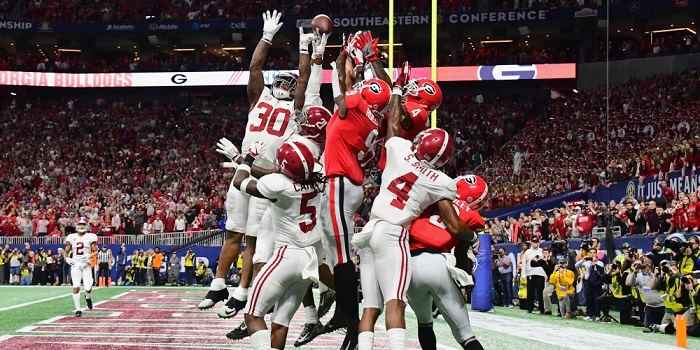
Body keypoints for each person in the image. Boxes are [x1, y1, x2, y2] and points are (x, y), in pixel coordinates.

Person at [351, 84, 470, 349]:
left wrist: (395, 90)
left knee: (370, 308)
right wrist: (469, 236)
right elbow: (454, 224)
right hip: (393, 235)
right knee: (395, 301)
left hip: (369, 232)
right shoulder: (441, 181)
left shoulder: (399, 150)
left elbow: (392, 121)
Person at [200, 9, 298, 312]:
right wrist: (266, 38)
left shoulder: (298, 112)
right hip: (241, 171)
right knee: (233, 231)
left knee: (253, 241)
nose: (282, 85)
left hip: (263, 177)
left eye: (288, 83)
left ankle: (242, 292)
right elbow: (255, 67)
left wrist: (309, 50)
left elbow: (305, 79)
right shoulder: (260, 98)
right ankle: (218, 285)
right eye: (279, 81)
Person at [317, 29, 393, 350]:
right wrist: (358, 58)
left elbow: (338, 92)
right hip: (347, 182)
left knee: (343, 253)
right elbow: (382, 90)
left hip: (341, 182)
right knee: (335, 250)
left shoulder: (353, 108)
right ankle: (343, 309)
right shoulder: (374, 112)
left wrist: (344, 58)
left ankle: (347, 314)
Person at [232, 138, 325, 350]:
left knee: (252, 316)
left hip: (287, 256)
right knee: (281, 323)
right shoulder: (320, 177)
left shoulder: (279, 185)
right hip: (309, 259)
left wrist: (246, 159)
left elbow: (240, 182)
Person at [401, 175, 487, 350]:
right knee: (466, 335)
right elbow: (463, 256)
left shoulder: (432, 195)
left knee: (424, 323)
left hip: (410, 265)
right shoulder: (472, 216)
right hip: (436, 264)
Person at [63, 217, 98, 317]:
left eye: (83, 224)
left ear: (86, 226)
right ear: (77, 226)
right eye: (80, 224)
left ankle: (88, 296)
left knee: (88, 287)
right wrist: (66, 258)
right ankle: (78, 309)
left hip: (86, 264)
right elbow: (66, 250)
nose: (81, 226)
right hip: (76, 264)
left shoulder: (91, 236)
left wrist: (90, 256)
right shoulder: (71, 236)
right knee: (76, 286)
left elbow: (95, 250)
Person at [523, 237, 546, 314]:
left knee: (540, 292)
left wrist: (546, 274)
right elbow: (524, 263)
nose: (535, 243)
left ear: (538, 242)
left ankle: (542, 309)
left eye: (536, 242)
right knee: (530, 292)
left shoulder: (542, 251)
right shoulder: (527, 252)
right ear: (531, 242)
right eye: (533, 242)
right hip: (530, 274)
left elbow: (545, 262)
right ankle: (530, 308)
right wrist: (523, 274)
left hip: (540, 273)